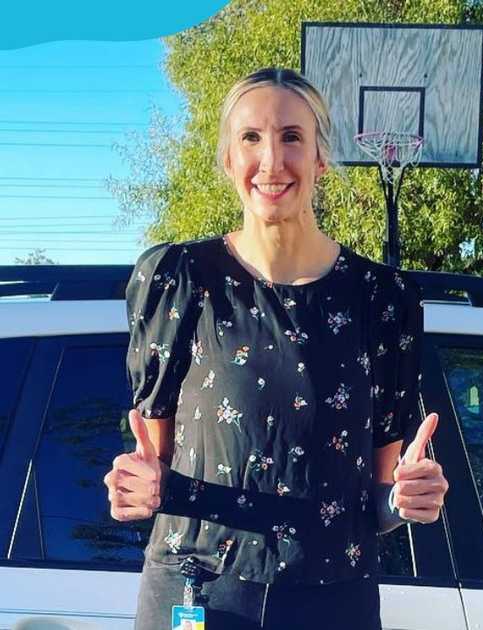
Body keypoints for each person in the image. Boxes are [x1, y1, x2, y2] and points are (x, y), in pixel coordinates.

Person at [102, 67, 448, 629]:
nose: (271, 161)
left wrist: (409, 500)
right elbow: (153, 467)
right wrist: (135, 490)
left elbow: (379, 503)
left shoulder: (381, 298)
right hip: (202, 594)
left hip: (335, 601)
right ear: (227, 160)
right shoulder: (183, 280)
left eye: (291, 137)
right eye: (251, 138)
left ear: (320, 159)